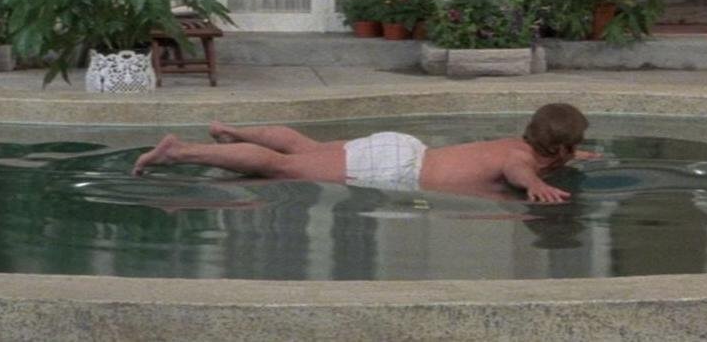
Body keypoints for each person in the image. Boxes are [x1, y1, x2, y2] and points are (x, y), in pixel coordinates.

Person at [132, 102, 596, 203]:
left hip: (402, 151)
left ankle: (230, 130)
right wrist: (536, 186)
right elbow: (518, 172)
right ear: (562, 148)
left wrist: (568, 157)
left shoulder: (519, 144)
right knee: (283, 166)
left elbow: (523, 157)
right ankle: (181, 152)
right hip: (395, 169)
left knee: (304, 147)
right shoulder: (523, 161)